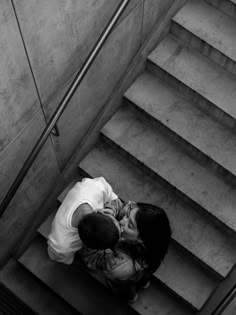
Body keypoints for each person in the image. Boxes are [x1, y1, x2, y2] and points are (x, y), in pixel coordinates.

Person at [79, 200, 172, 302]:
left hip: (124, 278)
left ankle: (131, 297)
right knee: (143, 277)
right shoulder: (157, 241)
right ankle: (144, 282)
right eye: (128, 215)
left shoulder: (116, 265)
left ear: (141, 239)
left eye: (130, 225)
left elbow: (91, 259)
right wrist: (109, 213)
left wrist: (97, 237)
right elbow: (122, 206)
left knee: (125, 288)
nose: (122, 221)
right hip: (145, 268)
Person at [47, 177, 122, 265]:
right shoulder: (60, 246)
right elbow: (57, 257)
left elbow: (112, 197)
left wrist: (112, 209)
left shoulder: (95, 187)